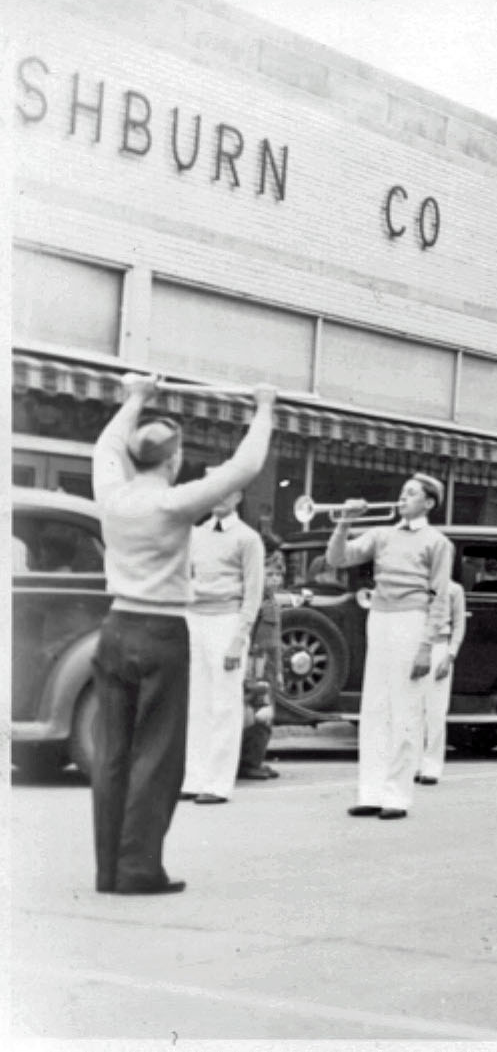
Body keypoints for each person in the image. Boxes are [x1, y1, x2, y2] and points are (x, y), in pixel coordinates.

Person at [89, 373, 275, 894]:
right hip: (163, 630)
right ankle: (139, 869)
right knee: (157, 755)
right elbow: (246, 465)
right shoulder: (175, 503)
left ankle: (109, 870)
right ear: (171, 461)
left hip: (115, 626)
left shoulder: (112, 493)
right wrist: (263, 407)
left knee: (113, 754)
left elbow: (106, 444)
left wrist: (137, 399)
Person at [326, 474, 455, 820]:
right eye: (402, 492)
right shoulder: (382, 534)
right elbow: (337, 559)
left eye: (411, 493)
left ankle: (397, 796)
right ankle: (371, 792)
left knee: (406, 710)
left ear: (428, 503)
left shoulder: (438, 542)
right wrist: (344, 523)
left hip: (412, 621)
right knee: (374, 708)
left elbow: (440, 597)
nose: (403, 497)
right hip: (379, 620)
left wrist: (427, 645)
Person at [180, 482, 267, 806]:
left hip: (226, 622)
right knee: (196, 702)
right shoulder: (195, 535)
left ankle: (217, 784)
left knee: (224, 704)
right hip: (194, 620)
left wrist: (238, 639)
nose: (217, 497)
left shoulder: (248, 539)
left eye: (225, 491)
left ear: (237, 496)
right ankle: (194, 778)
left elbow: (253, 594)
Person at [236, 554, 286, 783]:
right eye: (270, 574)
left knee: (268, 713)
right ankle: (248, 762)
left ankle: (256, 759)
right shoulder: (254, 601)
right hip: (257, 663)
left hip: (270, 664)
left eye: (278, 574)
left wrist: (279, 673)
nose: (275, 579)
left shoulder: (273, 601)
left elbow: (275, 642)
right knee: (259, 713)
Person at [415, 578, 468, 786]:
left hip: (439, 648)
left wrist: (450, 655)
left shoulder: (454, 589)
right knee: (413, 710)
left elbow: (459, 625)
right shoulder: (416, 586)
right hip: (416, 648)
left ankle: (432, 767)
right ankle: (414, 764)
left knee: (435, 711)